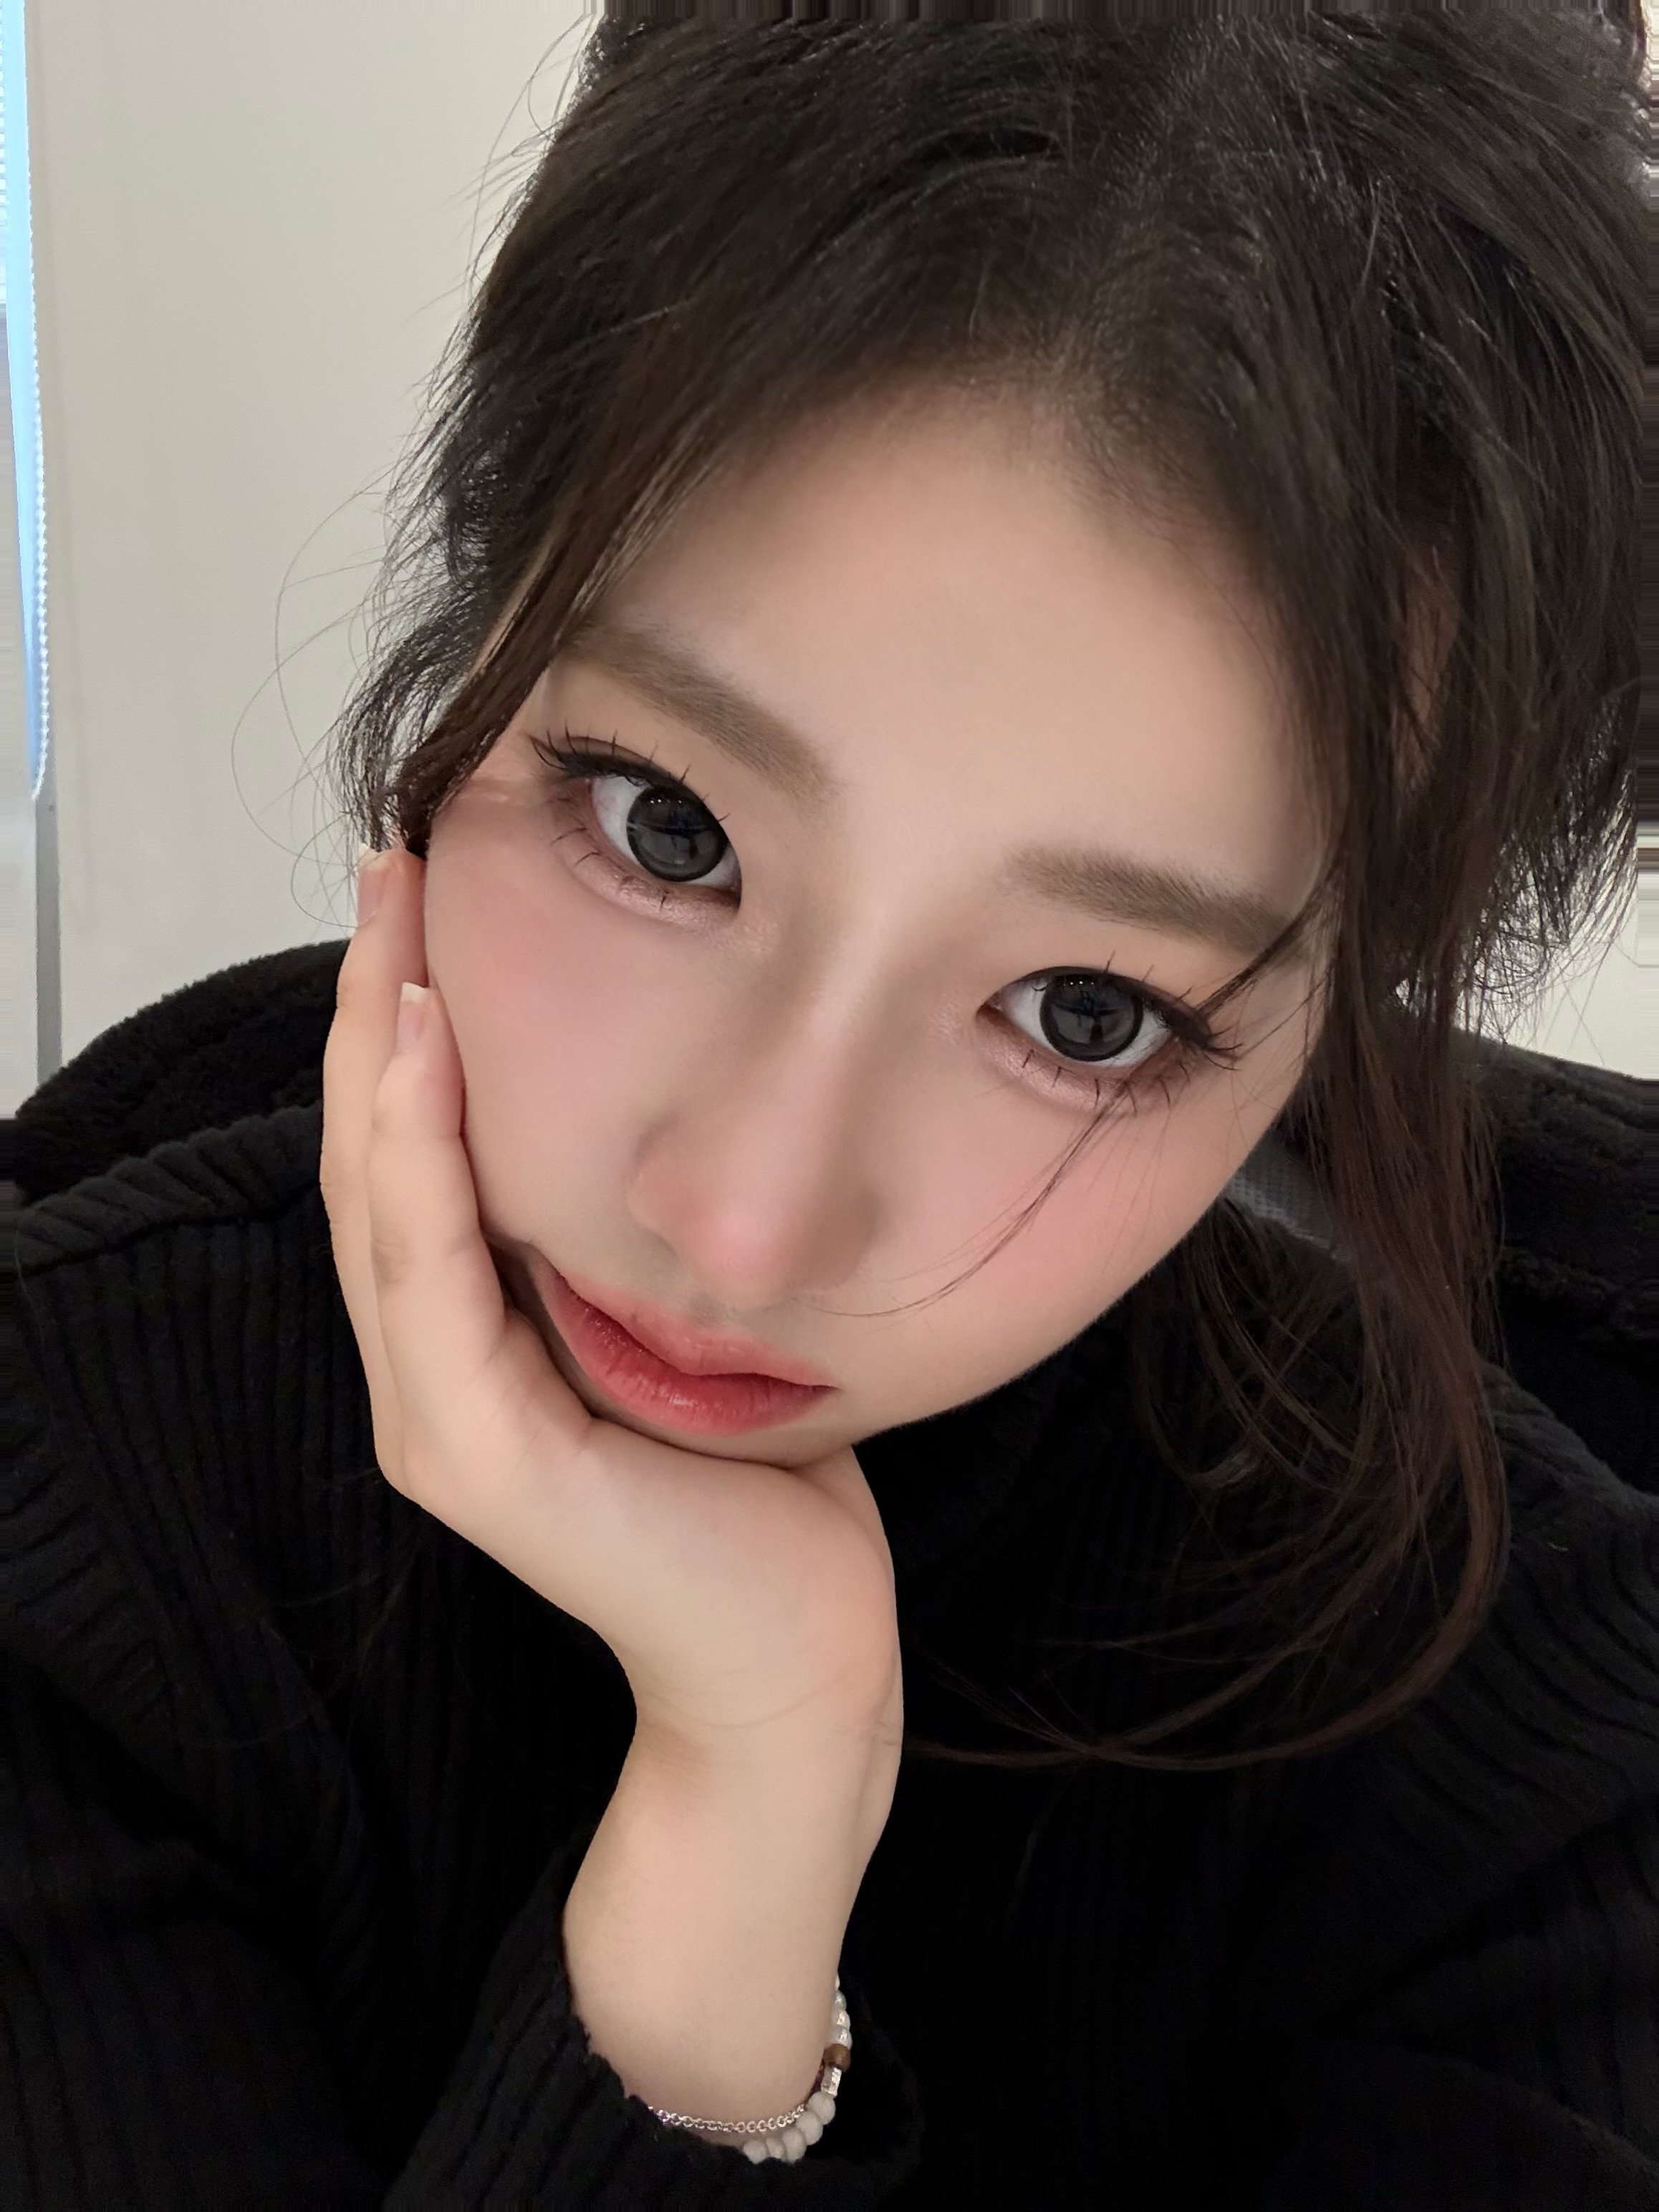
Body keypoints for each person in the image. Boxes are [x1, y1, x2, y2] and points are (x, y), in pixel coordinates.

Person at [6, 3, 1654, 2204]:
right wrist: (728, 1850)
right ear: (479, 632)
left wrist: (759, 1789)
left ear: (1329, 1029)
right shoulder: (74, 1492)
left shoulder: (1528, 1745)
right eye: (668, 829)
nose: (746, 1220)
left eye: (1086, 1012)